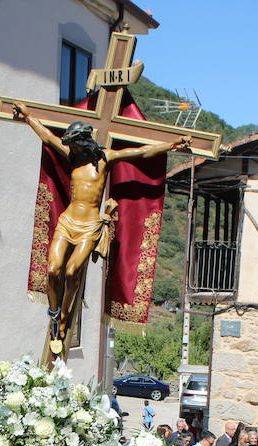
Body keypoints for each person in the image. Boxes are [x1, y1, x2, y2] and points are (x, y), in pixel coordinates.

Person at [11, 101, 191, 357]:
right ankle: (54, 315)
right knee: (52, 270)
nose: (69, 149)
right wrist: (28, 117)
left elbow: (142, 153)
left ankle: (63, 316)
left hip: (89, 227)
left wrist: (173, 145)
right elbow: (49, 138)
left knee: (72, 271)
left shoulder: (105, 159)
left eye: (73, 145)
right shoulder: (72, 159)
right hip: (67, 221)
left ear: (83, 142)